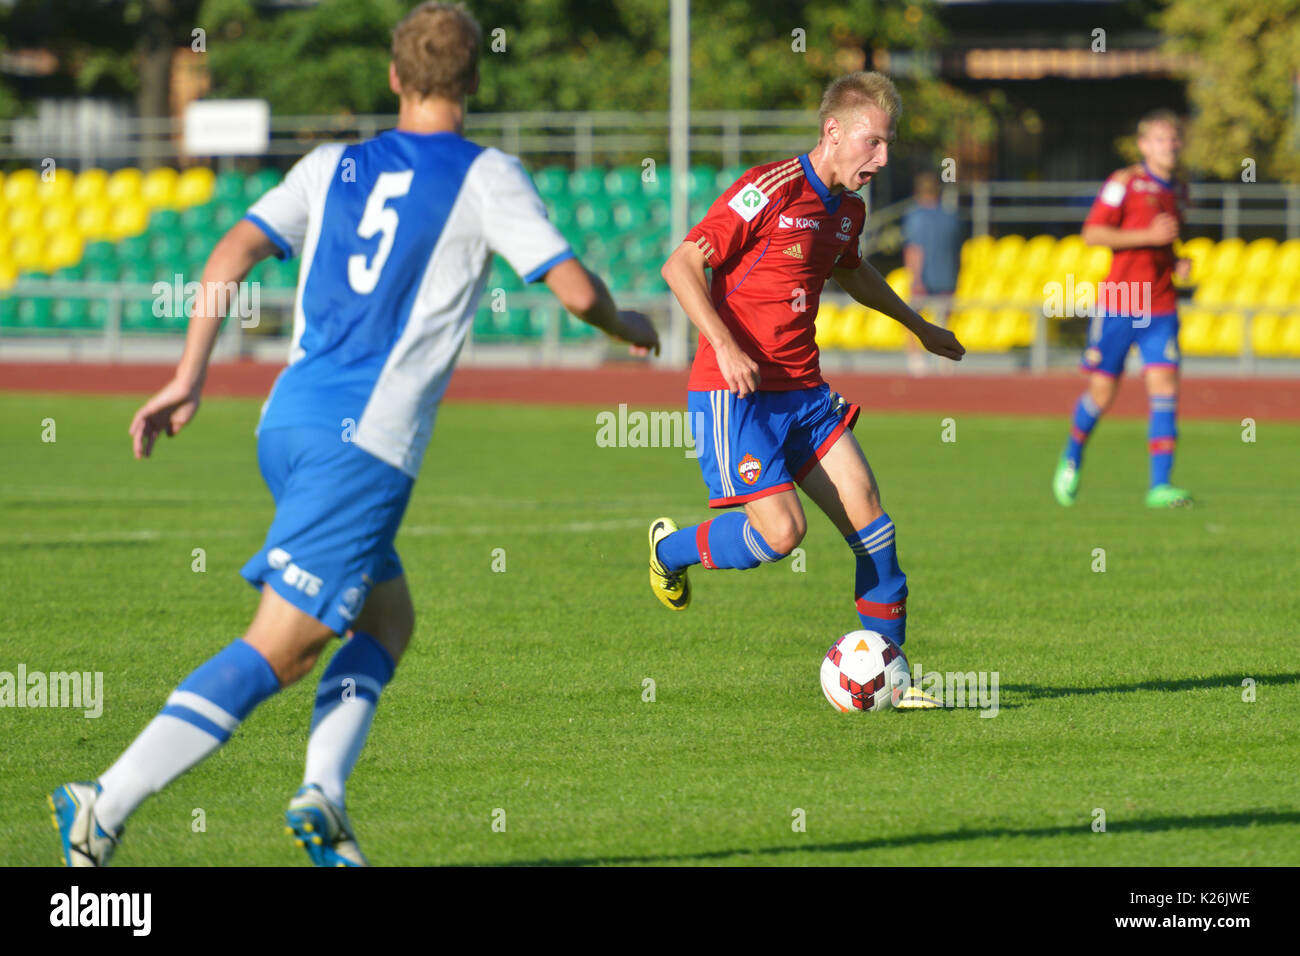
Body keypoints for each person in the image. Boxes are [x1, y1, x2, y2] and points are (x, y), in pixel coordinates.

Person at [50, 1, 658, 867]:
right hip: (362, 446)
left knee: (387, 618)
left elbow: (228, 253)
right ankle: (104, 802)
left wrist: (189, 376)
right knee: (284, 649)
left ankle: (324, 799)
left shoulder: (330, 164)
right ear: (474, 82)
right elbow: (571, 291)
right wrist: (628, 324)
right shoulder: (487, 176)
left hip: (286, 423)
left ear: (393, 77)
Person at [647, 71, 964, 705]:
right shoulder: (769, 188)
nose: (880, 157)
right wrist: (726, 344)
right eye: (871, 142)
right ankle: (670, 550)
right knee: (781, 535)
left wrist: (918, 325)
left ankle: (893, 679)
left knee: (875, 525)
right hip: (733, 394)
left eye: (888, 144)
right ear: (833, 131)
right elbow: (680, 265)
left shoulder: (848, 209)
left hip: (805, 394)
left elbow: (853, 271)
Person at [1053, 109, 1192, 509]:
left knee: (1165, 390)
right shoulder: (1123, 183)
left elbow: (1163, 244)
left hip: (1162, 305)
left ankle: (1160, 487)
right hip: (1121, 302)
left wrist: (1175, 260)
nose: (1172, 145)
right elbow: (1092, 233)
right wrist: (1147, 235)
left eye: (1176, 138)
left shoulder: (1179, 190)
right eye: (1163, 139)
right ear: (1144, 145)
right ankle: (1072, 455)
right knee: (1102, 393)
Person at [901, 171, 961, 373]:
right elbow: (956, 251)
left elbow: (915, 249)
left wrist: (915, 279)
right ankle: (946, 360)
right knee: (944, 320)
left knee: (910, 318)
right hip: (948, 276)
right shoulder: (951, 217)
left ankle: (916, 360)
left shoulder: (915, 216)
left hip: (924, 278)